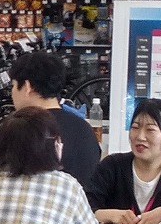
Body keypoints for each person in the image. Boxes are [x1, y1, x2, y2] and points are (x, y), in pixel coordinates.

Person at [84, 97, 161, 224]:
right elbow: (83, 209)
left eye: (150, 130)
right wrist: (112, 215)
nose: (140, 136)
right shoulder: (112, 166)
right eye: (135, 127)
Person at [8, 51, 101, 186]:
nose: (12, 94)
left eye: (13, 86)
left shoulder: (25, 129)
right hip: (85, 205)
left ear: (27, 87)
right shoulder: (84, 127)